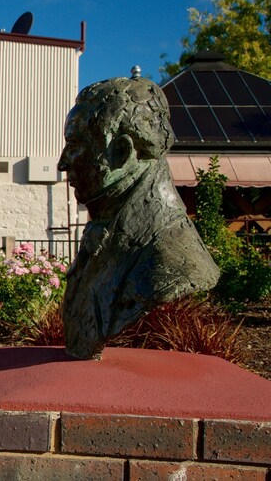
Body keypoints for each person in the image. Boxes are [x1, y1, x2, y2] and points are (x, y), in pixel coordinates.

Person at [57, 75, 219, 359]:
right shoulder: (102, 227)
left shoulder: (172, 260)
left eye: (74, 145)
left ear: (121, 152)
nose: (62, 162)